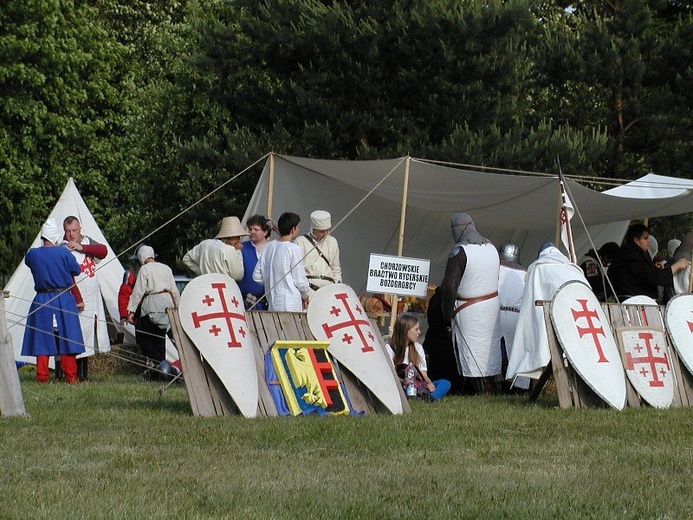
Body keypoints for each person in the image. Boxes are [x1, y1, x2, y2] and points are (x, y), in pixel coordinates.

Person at [506, 242, 589, 387]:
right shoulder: (574, 269)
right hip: (579, 317)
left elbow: (532, 303)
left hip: (557, 315)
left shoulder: (538, 269)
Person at [440, 213, 501, 393]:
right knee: (487, 349)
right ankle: (491, 387)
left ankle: (477, 390)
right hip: (491, 307)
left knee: (471, 350)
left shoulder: (459, 252)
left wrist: (446, 311)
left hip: (469, 310)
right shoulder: (491, 248)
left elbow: (450, 287)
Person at [22, 218, 85, 383]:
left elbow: (28, 261)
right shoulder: (64, 252)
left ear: (43, 237)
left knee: (41, 338)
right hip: (63, 297)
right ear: (56, 236)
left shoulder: (33, 254)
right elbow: (76, 270)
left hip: (42, 299)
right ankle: (71, 377)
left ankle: (42, 376)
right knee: (67, 336)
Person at [127, 246, 180, 373]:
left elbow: (138, 291)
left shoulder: (144, 269)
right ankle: (162, 371)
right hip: (167, 304)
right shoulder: (166, 268)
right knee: (159, 338)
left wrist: (131, 311)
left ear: (141, 258)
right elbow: (174, 290)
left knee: (143, 337)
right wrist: (178, 307)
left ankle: (161, 364)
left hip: (153, 304)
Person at [63, 215, 109, 361]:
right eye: (68, 231)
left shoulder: (88, 242)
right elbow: (67, 277)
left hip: (93, 296)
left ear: (79, 229)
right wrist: (78, 298)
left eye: (74, 230)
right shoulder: (62, 247)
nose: (71, 234)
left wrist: (82, 248)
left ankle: (84, 373)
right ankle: (74, 372)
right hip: (77, 298)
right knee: (78, 333)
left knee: (90, 332)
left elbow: (103, 251)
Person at [607, 223, 689, 301]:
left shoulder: (628, 255)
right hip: (634, 302)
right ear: (636, 240)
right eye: (645, 238)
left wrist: (652, 268)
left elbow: (644, 274)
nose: (648, 241)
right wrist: (677, 265)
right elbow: (654, 278)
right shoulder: (632, 257)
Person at [385, 313, 450, 401]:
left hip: (419, 383)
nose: (419, 332)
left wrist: (429, 384)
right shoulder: (389, 348)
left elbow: (423, 374)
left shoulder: (417, 347)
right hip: (401, 384)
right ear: (405, 331)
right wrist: (402, 381)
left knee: (445, 383)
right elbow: (391, 375)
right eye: (416, 329)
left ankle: (430, 398)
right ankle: (418, 396)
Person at [252, 212, 310, 311]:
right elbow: (299, 279)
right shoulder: (294, 248)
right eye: (298, 227)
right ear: (293, 229)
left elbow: (256, 275)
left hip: (273, 301)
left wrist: (271, 281)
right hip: (290, 302)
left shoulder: (269, 246)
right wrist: (305, 295)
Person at [497, 240, 528, 390]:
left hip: (497, 314)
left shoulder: (495, 269)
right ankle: (517, 386)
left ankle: (496, 383)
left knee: (497, 352)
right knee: (515, 353)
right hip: (516, 316)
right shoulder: (525, 273)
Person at [422, 287, 464, 394]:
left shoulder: (439, 298)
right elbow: (435, 323)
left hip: (440, 341)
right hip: (440, 344)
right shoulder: (440, 299)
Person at [182, 216, 248, 281]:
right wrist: (238, 252)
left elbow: (186, 258)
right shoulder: (230, 250)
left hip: (207, 285)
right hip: (225, 288)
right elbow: (238, 276)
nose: (239, 239)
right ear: (229, 237)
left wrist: (202, 273)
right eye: (237, 236)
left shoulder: (205, 244)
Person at [294, 210, 342, 299]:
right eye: (322, 231)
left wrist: (336, 286)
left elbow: (336, 268)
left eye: (327, 230)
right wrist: (303, 294)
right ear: (313, 229)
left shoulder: (332, 242)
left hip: (328, 290)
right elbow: (297, 271)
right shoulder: (300, 242)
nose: (325, 234)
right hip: (309, 289)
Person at [238, 215, 273, 309]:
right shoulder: (241, 248)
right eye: (250, 229)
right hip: (245, 302)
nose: (252, 232)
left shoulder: (273, 249)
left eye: (256, 229)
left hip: (268, 303)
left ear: (265, 232)